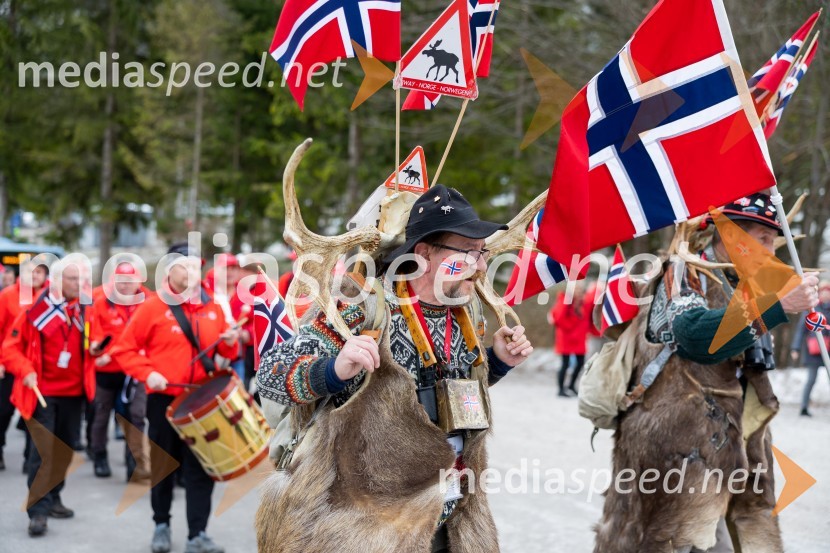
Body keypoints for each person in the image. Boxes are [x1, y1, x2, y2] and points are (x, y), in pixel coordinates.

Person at [255, 185, 534, 553]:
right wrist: (334, 369)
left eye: (481, 254)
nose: (482, 266)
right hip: (364, 528)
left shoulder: (467, 312)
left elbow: (447, 398)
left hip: (451, 522)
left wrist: (497, 363)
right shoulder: (361, 307)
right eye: (468, 253)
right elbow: (271, 377)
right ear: (422, 254)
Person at [593, 193, 819, 553]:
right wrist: (776, 307)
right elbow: (695, 335)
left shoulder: (744, 281)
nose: (769, 250)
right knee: (666, 542)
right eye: (760, 239)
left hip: (734, 449)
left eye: (771, 241)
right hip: (679, 447)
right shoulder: (685, 271)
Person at [110, 243, 239, 553]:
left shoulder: (212, 306)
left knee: (201, 471)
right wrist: (146, 372)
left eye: (197, 265)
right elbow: (123, 350)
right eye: (187, 265)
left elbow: (225, 354)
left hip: (203, 404)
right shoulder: (152, 307)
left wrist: (231, 343)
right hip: (164, 402)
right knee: (164, 468)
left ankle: (198, 534)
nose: (194, 271)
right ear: (170, 270)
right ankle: (161, 526)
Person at [2, 258, 96, 537]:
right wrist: (26, 370)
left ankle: (54, 497)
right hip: (43, 393)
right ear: (56, 281)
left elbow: (95, 341)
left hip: (75, 392)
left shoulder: (85, 308)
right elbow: (9, 348)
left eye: (81, 280)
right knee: (42, 453)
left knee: (65, 451)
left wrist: (100, 352)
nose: (79, 285)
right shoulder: (35, 309)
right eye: (72, 279)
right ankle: (38, 511)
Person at [88, 261, 151, 479]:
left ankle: (134, 463)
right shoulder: (102, 303)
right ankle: (99, 455)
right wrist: (95, 347)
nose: (124, 286)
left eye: (129, 281)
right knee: (101, 413)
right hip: (108, 369)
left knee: (137, 415)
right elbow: (94, 334)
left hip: (136, 369)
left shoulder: (150, 301)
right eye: (120, 281)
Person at [0, 260, 48, 471]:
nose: (35, 275)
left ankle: (31, 457)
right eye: (31, 271)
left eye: (39, 272)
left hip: (37, 367)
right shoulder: (8, 295)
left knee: (34, 412)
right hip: (9, 363)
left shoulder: (50, 298)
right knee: (3, 411)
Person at [789, 280, 830, 417]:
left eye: (827, 292)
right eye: (823, 292)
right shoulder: (812, 308)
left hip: (828, 351)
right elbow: (801, 329)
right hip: (813, 350)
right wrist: (795, 348)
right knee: (811, 379)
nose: (825, 294)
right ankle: (804, 407)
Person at [549, 281, 592, 396]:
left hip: (580, 338)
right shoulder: (564, 301)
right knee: (565, 363)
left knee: (580, 363)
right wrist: (571, 326)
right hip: (566, 337)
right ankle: (561, 389)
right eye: (576, 289)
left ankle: (571, 385)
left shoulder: (584, 303)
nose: (578, 291)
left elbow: (589, 315)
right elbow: (558, 318)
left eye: (580, 289)